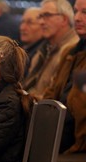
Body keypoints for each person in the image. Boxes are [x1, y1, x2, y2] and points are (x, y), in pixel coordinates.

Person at [43, 0, 86, 153]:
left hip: (76, 140)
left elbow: (78, 106)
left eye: (85, 12)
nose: (78, 18)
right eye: (76, 11)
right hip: (56, 127)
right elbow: (52, 92)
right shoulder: (70, 52)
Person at [23, 0, 79, 99]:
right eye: (40, 16)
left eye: (47, 15)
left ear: (64, 20)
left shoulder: (72, 50)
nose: (41, 22)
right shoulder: (43, 49)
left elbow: (56, 99)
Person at [19, 7, 44, 77]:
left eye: (30, 23)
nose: (22, 28)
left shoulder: (42, 54)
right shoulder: (19, 48)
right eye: (22, 22)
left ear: (43, 25)